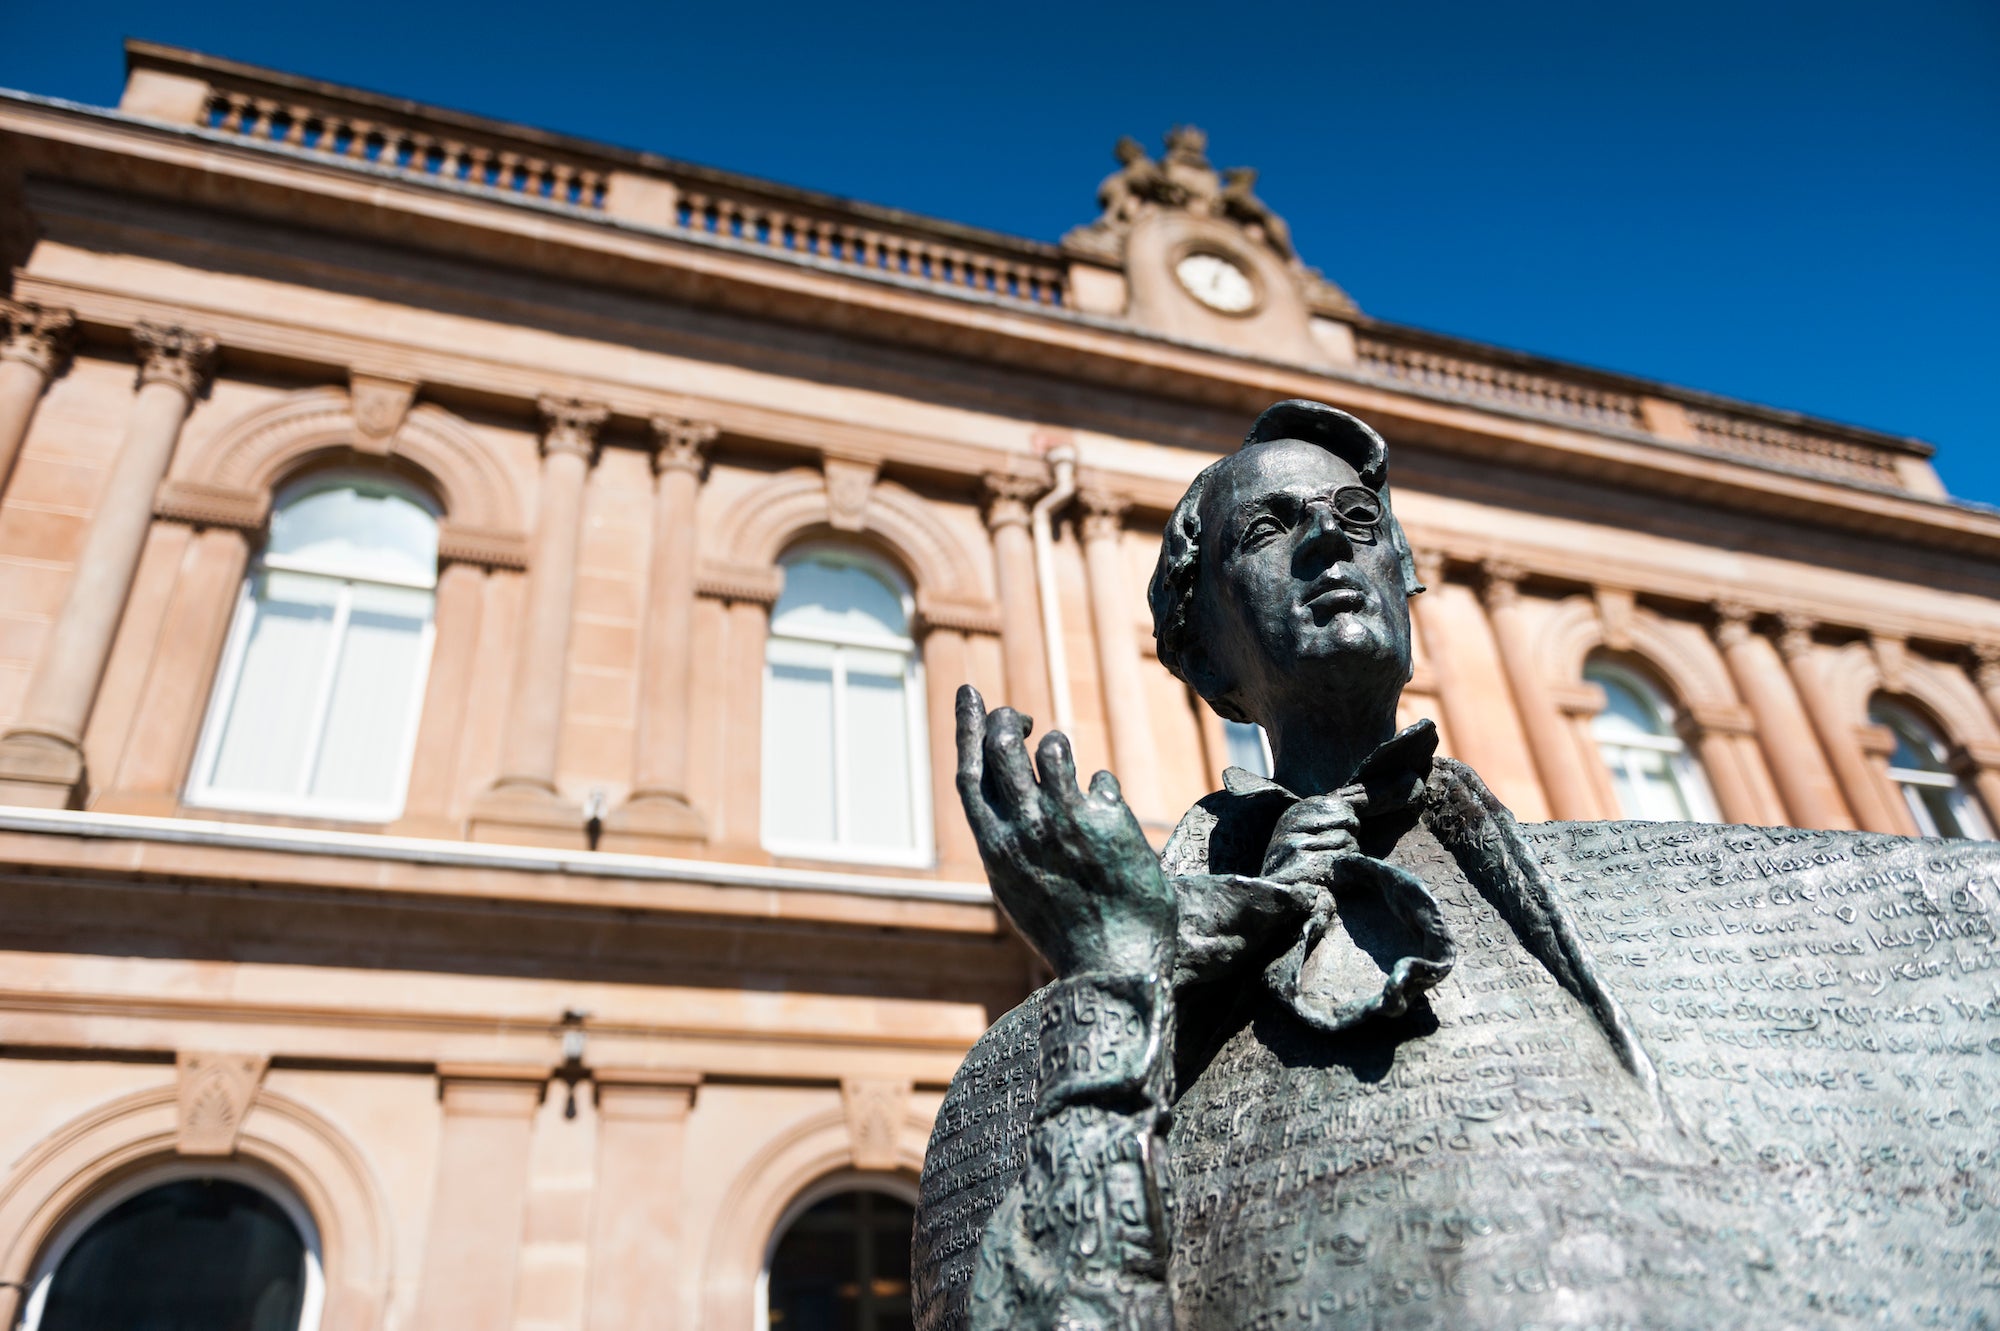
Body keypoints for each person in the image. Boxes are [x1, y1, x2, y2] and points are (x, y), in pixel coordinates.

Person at [912, 400, 2000, 1330]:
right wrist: (1110, 973)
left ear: (1404, 575)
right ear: (1198, 646)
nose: (1328, 545)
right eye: (1268, 528)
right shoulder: (1063, 1034)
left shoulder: (1732, 922)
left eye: (1356, 521)